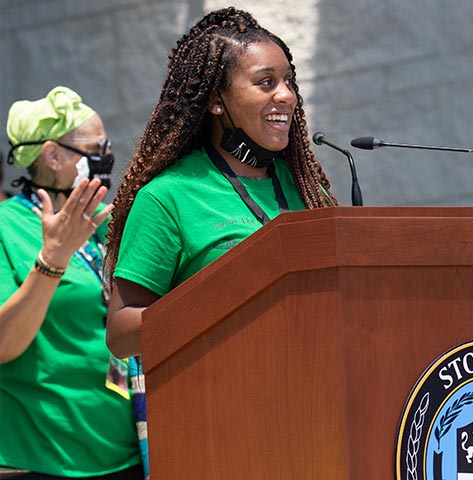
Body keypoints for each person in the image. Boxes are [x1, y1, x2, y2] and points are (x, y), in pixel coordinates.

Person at [104, 7, 338, 359]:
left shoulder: (306, 189)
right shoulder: (169, 196)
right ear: (216, 100)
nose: (287, 95)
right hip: (224, 398)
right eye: (266, 82)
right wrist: (227, 290)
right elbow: (122, 334)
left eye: (289, 81)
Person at [0, 86, 143, 479]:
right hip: (45, 457)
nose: (106, 158)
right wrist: (52, 261)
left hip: (129, 450)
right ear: (51, 154)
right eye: (95, 149)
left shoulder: (107, 220)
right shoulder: (6, 227)